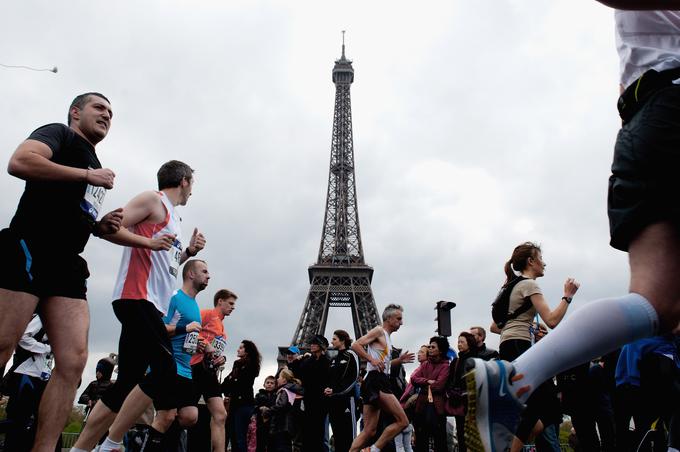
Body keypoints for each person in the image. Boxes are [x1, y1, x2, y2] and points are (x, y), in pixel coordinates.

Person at [465, 5, 680, 451]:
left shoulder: (513, 288)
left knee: (657, 303)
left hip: (649, 113)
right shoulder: (525, 287)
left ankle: (515, 380)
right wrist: (563, 296)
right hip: (665, 106)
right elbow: (549, 318)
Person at [0, 92, 123, 451]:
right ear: (75, 112)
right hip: (30, 246)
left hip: (68, 263)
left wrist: (99, 226)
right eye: (99, 108)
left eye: (111, 113)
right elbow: (20, 161)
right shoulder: (59, 134)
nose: (106, 116)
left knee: (73, 361)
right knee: (4, 344)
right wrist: (88, 174)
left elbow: (73, 207)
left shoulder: (93, 162)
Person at [71, 160, 206, 452]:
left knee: (127, 381)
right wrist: (148, 244)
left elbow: (164, 262)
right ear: (183, 180)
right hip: (136, 297)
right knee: (164, 371)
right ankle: (111, 443)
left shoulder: (173, 218)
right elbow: (106, 227)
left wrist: (187, 253)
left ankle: (82, 448)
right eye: (192, 184)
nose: (192, 191)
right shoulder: (152, 200)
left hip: (151, 304)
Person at [349, 304, 415, 452]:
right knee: (403, 421)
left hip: (375, 379)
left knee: (369, 431)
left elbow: (383, 364)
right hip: (377, 380)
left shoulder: (387, 337)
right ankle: (374, 450)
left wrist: (399, 360)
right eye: (399, 319)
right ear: (389, 318)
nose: (401, 322)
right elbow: (355, 345)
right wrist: (370, 359)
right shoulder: (379, 331)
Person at [161, 259, 211, 449]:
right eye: (204, 271)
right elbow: (159, 327)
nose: (209, 276)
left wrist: (198, 344)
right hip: (170, 364)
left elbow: (186, 335)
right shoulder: (174, 297)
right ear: (191, 274)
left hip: (186, 367)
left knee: (190, 416)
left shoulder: (194, 305)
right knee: (167, 416)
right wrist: (185, 328)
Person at [2, 314, 61, 452]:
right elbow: (23, 337)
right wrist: (46, 348)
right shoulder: (42, 317)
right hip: (27, 374)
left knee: (42, 420)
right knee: (18, 421)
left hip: (42, 376)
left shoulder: (58, 321)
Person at [192, 288, 237, 452]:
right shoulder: (206, 314)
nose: (233, 307)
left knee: (221, 415)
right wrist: (205, 344)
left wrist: (221, 359)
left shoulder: (223, 329)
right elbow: (187, 329)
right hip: (195, 367)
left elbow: (216, 351)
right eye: (230, 303)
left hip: (210, 372)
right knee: (186, 416)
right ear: (220, 301)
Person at [411, 336, 450, 452]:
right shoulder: (425, 364)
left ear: (441, 350)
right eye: (429, 346)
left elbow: (439, 385)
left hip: (437, 408)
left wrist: (423, 383)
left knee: (440, 441)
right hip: (421, 407)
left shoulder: (445, 366)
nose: (430, 349)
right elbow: (413, 378)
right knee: (421, 442)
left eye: (433, 347)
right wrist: (427, 381)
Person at [222, 340, 261, 452]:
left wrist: (231, 380)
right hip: (236, 405)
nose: (238, 349)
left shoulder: (251, 365)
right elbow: (226, 384)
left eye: (241, 348)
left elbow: (238, 383)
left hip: (243, 405)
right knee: (233, 437)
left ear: (247, 351)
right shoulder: (238, 364)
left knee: (239, 438)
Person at [325, 329, 360, 452]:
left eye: (334, 339)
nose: (331, 341)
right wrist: (328, 389)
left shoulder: (351, 355)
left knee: (349, 436)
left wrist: (336, 391)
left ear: (343, 340)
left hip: (347, 400)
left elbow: (353, 378)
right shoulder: (334, 359)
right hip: (334, 401)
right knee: (337, 436)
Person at [296, 334, 331, 451]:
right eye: (311, 343)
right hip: (309, 400)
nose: (311, 345)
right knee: (307, 431)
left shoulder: (326, 362)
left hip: (320, 401)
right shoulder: (307, 361)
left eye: (314, 343)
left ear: (321, 346)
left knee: (318, 431)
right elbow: (299, 375)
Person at [447, 332, 478, 452]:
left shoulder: (476, 359)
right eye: (458, 342)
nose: (459, 344)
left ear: (469, 343)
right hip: (458, 401)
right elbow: (450, 380)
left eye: (462, 342)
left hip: (473, 402)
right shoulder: (456, 361)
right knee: (460, 433)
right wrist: (451, 392)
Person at [263, 368, 305, 452]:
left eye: (279, 377)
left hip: (282, 425)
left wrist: (267, 411)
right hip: (293, 425)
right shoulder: (295, 390)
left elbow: (281, 405)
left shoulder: (285, 390)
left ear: (284, 380)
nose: (277, 379)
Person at [255, 375, 278, 452]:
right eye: (267, 382)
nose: (269, 384)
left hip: (272, 424)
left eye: (272, 383)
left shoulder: (277, 395)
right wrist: (259, 408)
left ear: (275, 385)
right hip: (261, 424)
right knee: (260, 445)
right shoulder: (259, 395)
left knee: (272, 446)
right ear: (264, 384)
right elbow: (254, 406)